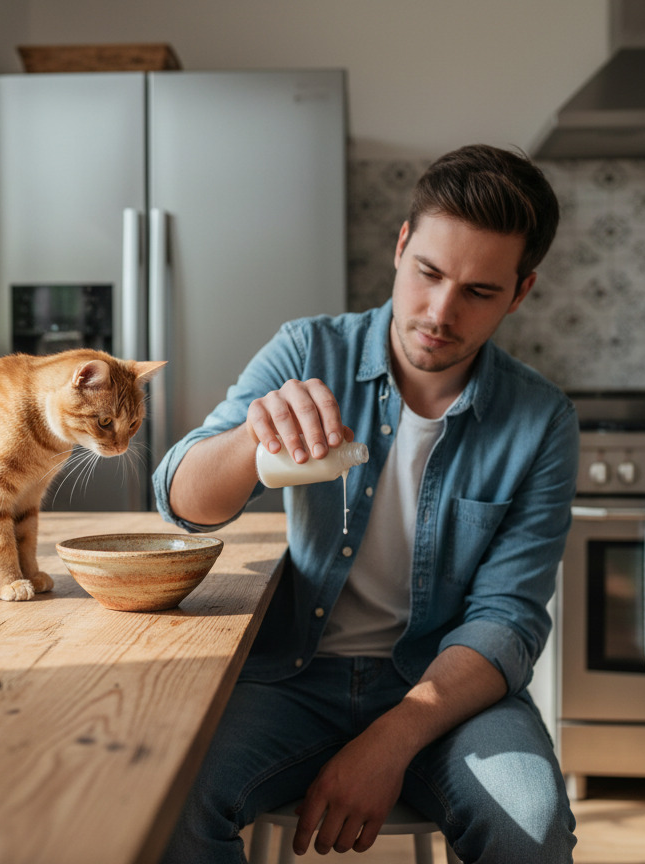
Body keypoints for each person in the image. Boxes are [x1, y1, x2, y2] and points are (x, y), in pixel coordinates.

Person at [152, 144, 579, 862]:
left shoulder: (540, 421)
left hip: (449, 684)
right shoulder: (307, 351)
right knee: (169, 801)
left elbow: (507, 619)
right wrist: (254, 438)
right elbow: (180, 501)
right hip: (292, 674)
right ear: (402, 245)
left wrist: (392, 739)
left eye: (478, 292)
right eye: (430, 273)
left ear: (521, 291)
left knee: (529, 828)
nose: (440, 312)